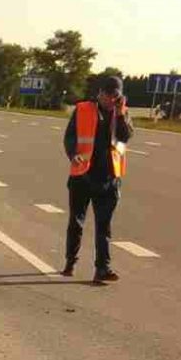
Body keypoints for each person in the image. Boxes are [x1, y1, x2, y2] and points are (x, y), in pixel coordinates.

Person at [61, 75, 133, 284]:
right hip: (82, 175)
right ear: (99, 93)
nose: (109, 99)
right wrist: (72, 152)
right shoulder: (83, 109)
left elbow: (125, 136)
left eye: (114, 96)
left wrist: (120, 113)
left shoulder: (122, 114)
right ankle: (70, 261)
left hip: (109, 179)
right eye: (106, 95)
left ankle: (102, 268)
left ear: (119, 97)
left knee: (104, 226)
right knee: (76, 221)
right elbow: (70, 136)